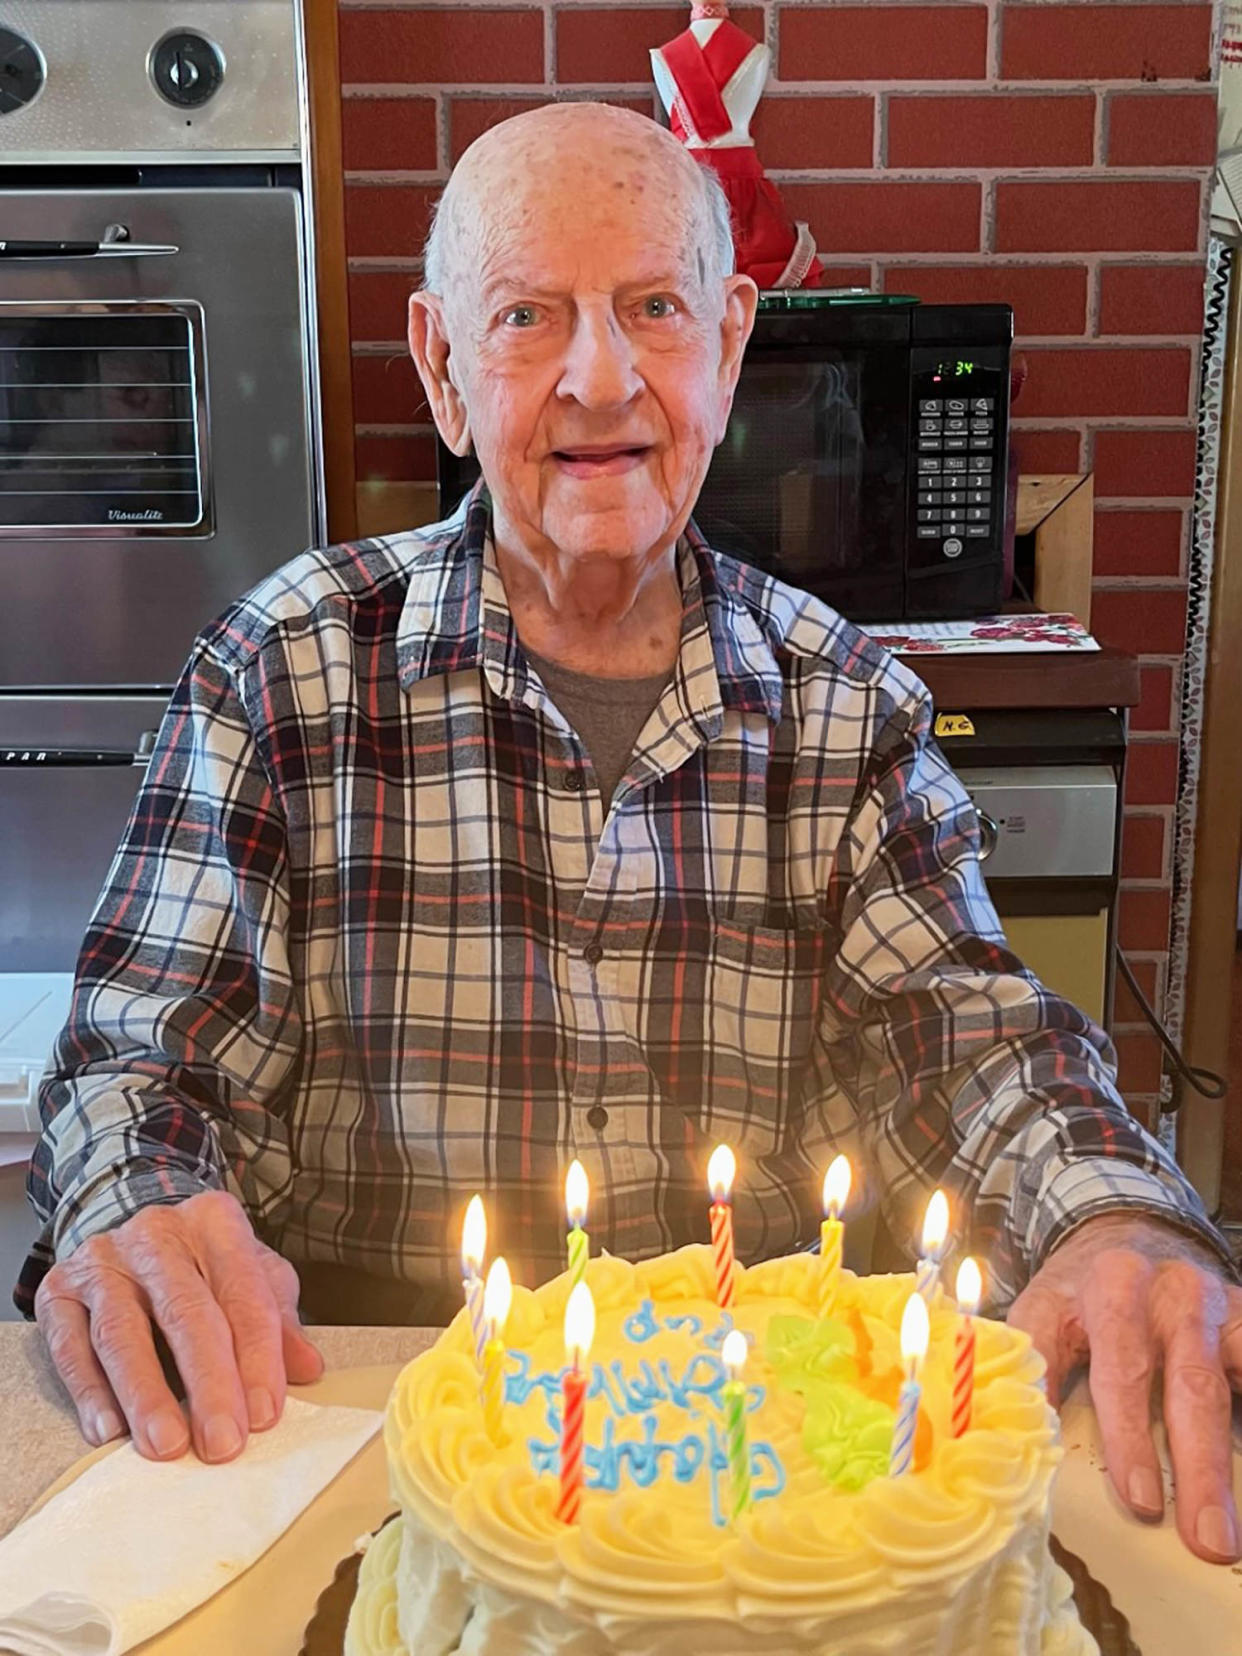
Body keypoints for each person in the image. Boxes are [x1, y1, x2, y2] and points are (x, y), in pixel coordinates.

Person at [19, 102, 1241, 1565]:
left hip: (748, 1481)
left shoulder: (845, 708)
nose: (602, 379)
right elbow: (140, 1062)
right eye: (529, 317)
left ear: (725, 345)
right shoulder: (281, 669)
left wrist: (1117, 1217)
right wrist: (142, 1202)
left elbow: (972, 1052)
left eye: (652, 308)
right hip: (347, 1451)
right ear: (442, 369)